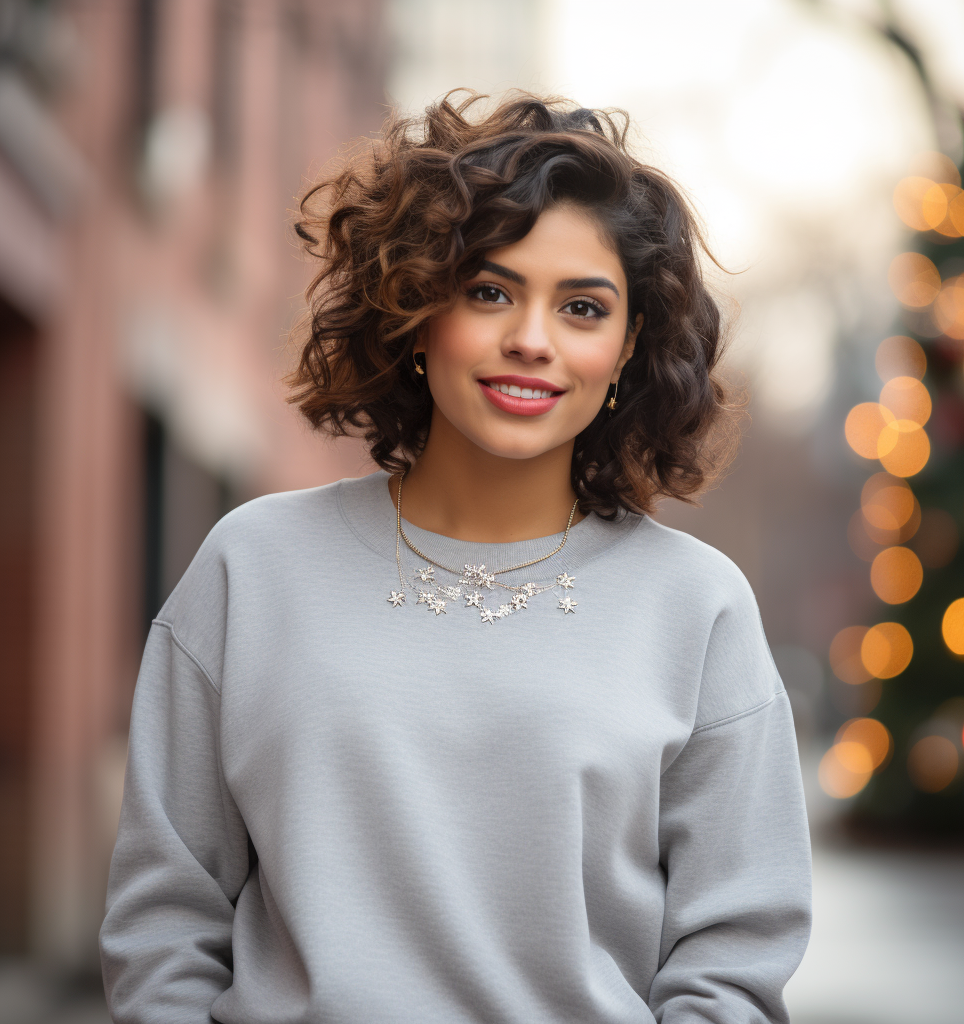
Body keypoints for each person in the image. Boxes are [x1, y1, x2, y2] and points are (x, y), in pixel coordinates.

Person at [100, 91, 811, 1024]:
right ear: (418, 310)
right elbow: (165, 919)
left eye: (583, 307)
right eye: (490, 291)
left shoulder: (698, 608)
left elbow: (732, 953)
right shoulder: (253, 567)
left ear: (627, 348)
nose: (532, 339)